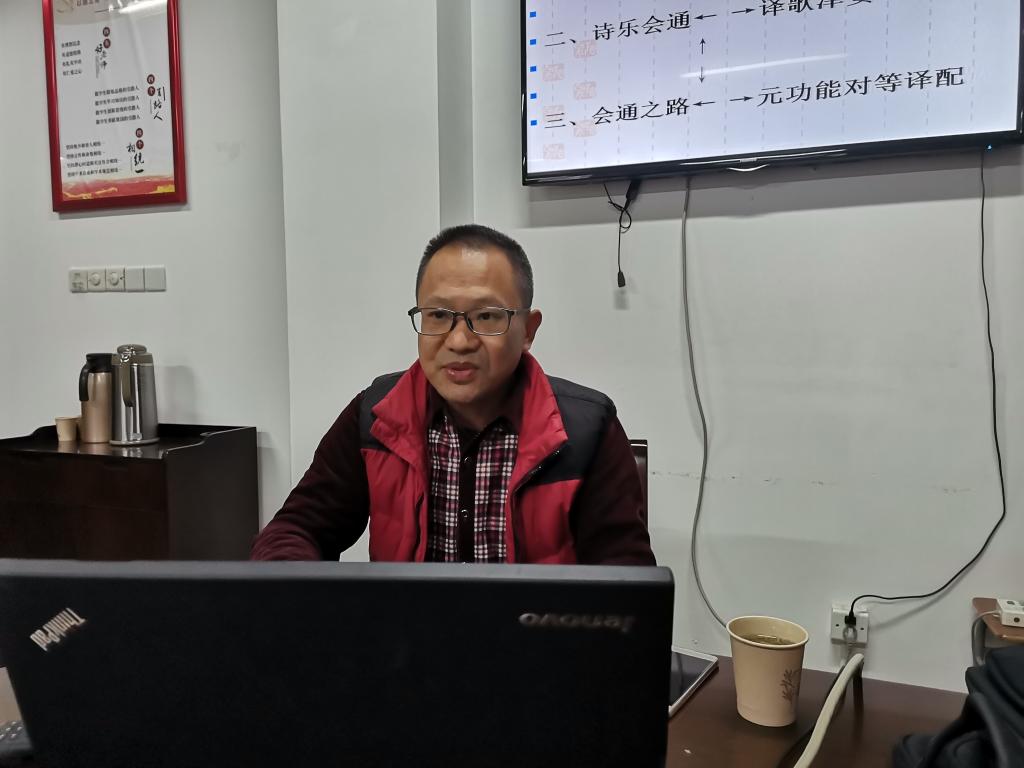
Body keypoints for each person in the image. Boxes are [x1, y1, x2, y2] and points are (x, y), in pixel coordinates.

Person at [251, 224, 654, 565]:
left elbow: (625, 580)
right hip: (407, 634)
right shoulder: (376, 416)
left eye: (487, 316)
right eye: (439, 316)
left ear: (528, 331)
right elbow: (298, 528)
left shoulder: (587, 430)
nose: (459, 341)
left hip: (534, 636)